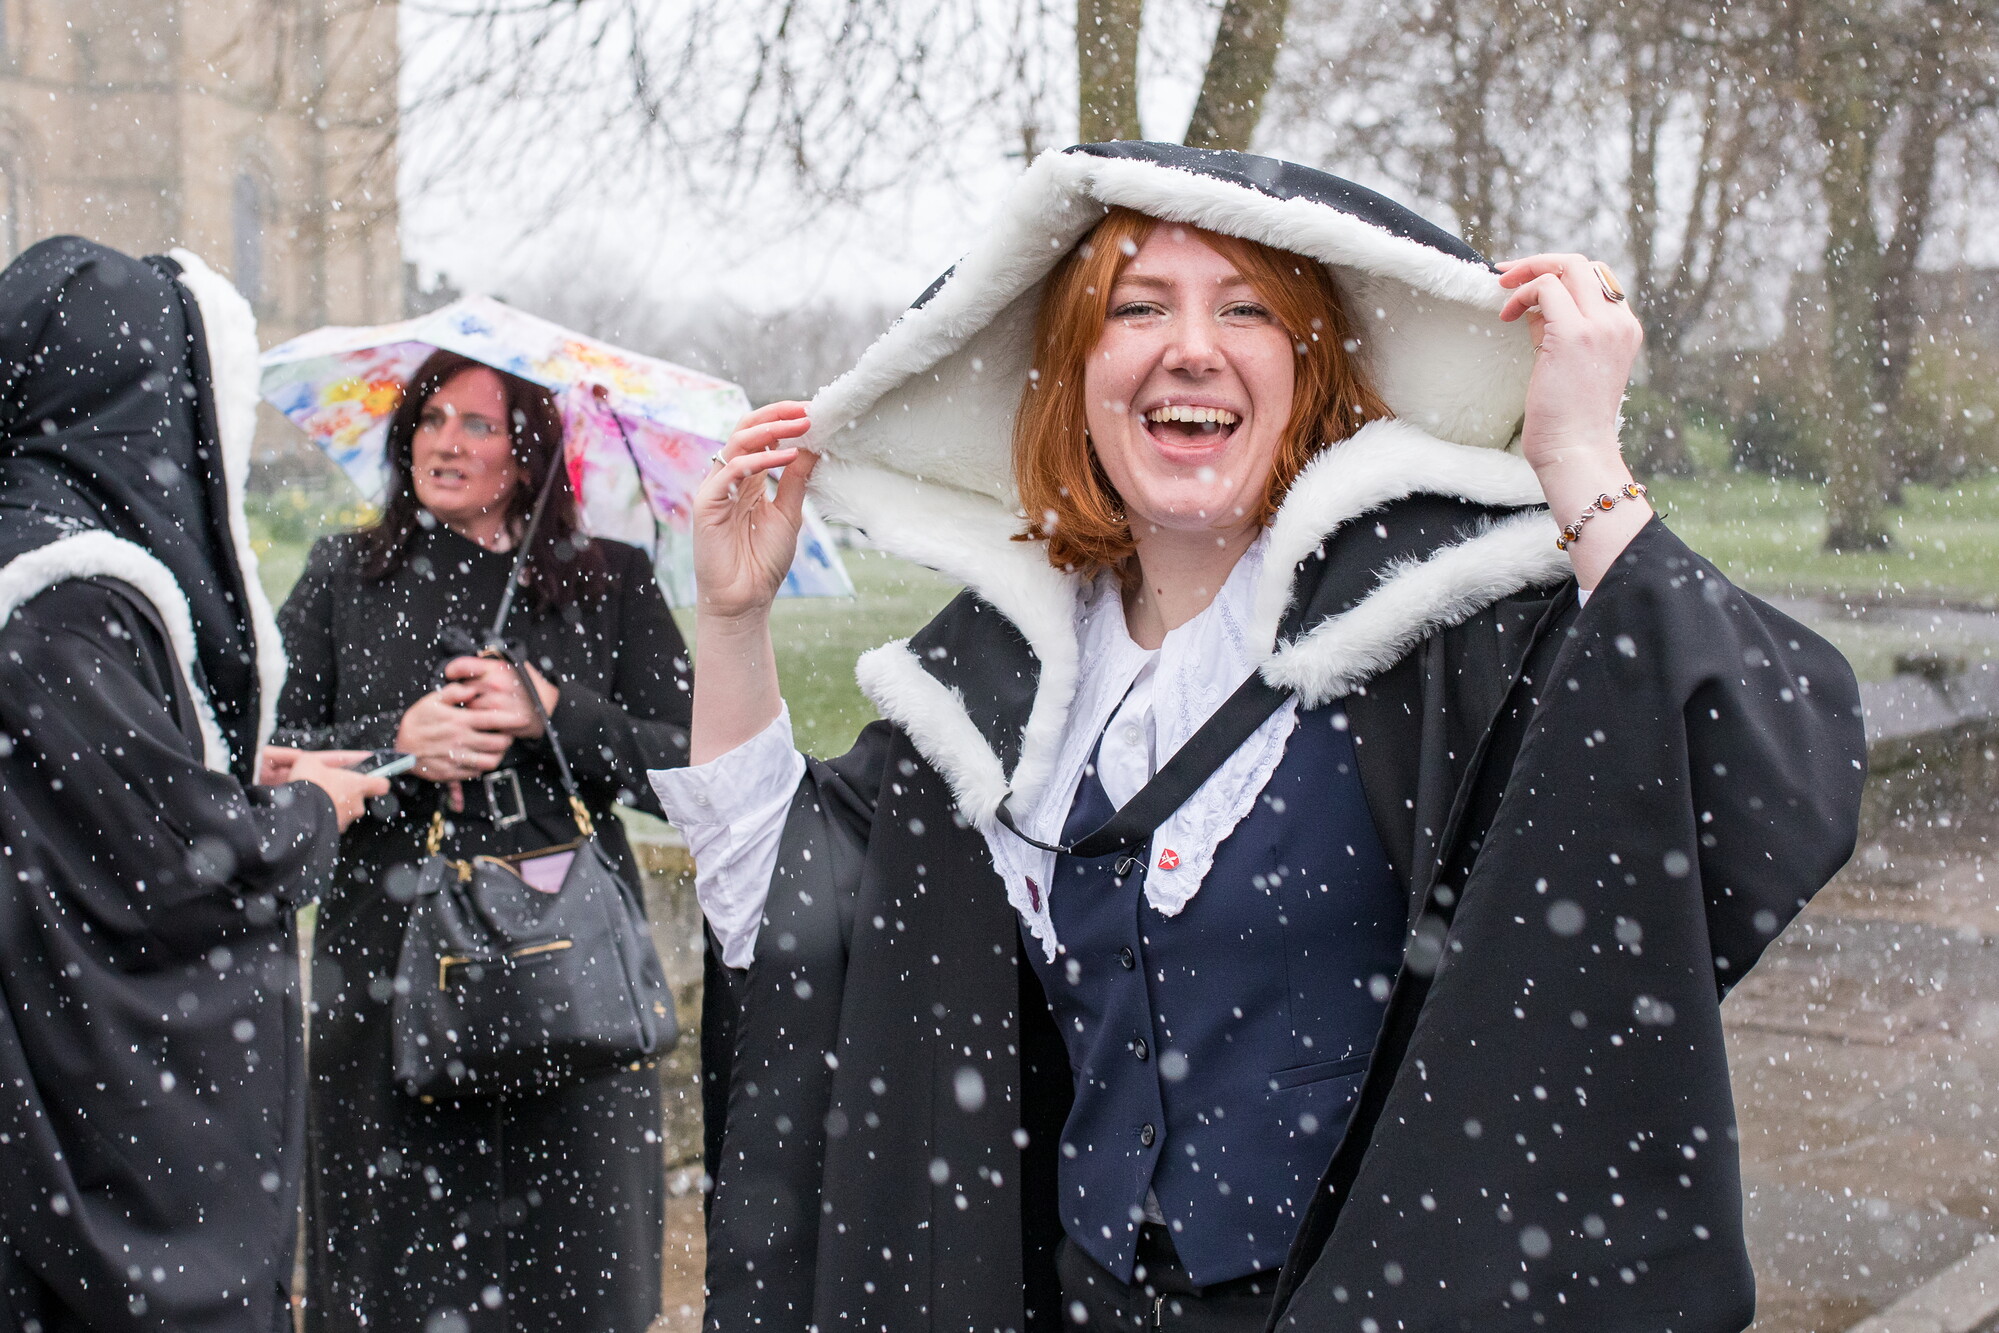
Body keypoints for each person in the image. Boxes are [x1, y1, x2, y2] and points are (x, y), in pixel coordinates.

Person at [655, 142, 1868, 1331]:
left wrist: (1579, 463)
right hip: (1084, 1295)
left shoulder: (1442, 625)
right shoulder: (1000, 676)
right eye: (1136, 307)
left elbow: (1765, 781)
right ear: (1074, 370)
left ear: (1309, 366)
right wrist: (732, 616)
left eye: (1245, 307)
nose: (1191, 346)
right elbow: (799, 915)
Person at [0, 236, 386, 1332]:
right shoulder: (65, 594)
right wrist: (314, 809)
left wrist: (224, 768)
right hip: (92, 1134)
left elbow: (85, 796)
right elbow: (176, 864)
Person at [274, 349, 693, 1333]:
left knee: (575, 1282)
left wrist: (556, 713)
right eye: (429, 419)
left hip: (573, 984)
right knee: (389, 1285)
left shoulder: (609, 583)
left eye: (477, 424)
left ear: (531, 454)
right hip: (383, 984)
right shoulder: (343, 576)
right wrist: (394, 747)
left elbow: (691, 778)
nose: (444, 442)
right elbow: (269, 761)